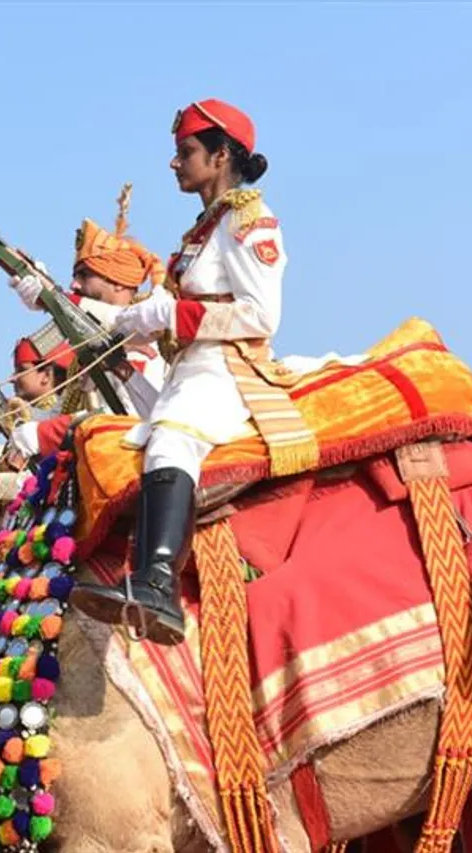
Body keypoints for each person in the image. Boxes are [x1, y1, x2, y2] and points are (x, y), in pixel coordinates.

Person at [69, 98, 305, 645]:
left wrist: (171, 313)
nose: (175, 163)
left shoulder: (251, 221)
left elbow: (260, 315)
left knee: (172, 440)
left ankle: (158, 583)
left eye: (187, 152)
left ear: (222, 156)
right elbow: (156, 316)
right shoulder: (204, 230)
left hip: (225, 368)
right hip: (187, 368)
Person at [5, 186, 167, 415]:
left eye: (85, 275)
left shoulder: (145, 342)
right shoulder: (86, 355)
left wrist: (52, 296)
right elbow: (57, 422)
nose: (75, 285)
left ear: (118, 282)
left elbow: (128, 421)